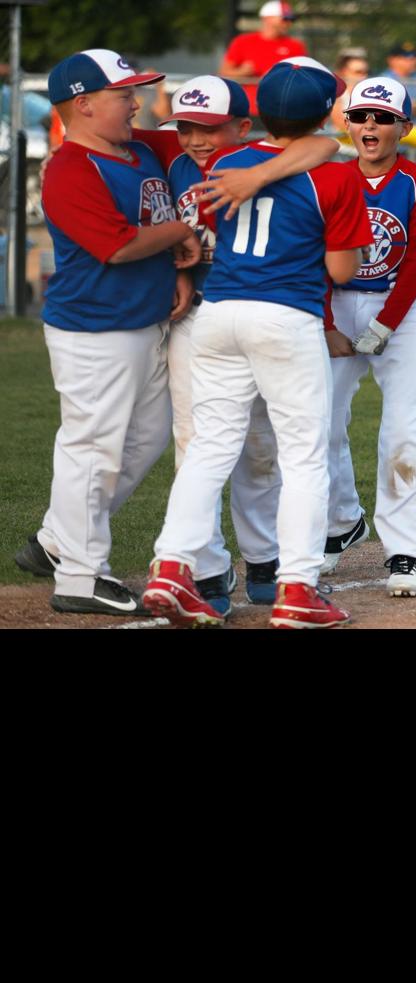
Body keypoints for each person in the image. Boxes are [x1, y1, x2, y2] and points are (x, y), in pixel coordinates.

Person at [142, 58, 372, 628]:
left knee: (209, 448)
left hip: (218, 312)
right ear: (325, 113)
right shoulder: (337, 174)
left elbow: (297, 156)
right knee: (303, 456)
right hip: (285, 317)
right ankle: (297, 586)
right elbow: (342, 270)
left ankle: (172, 566)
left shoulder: (229, 159)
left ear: (259, 114)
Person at [15, 49, 196, 616]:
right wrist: (179, 233)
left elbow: (211, 143)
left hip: (143, 322)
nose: (136, 103)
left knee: (144, 441)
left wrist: (180, 265)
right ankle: (79, 574)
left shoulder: (142, 148)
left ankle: (55, 540)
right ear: (85, 104)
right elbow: (116, 246)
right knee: (92, 450)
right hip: (94, 328)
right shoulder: (71, 169)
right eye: (124, 95)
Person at [320, 77, 416, 597]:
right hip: (337, 304)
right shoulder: (327, 178)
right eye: (361, 116)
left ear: (404, 128)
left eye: (383, 118)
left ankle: (404, 552)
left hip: (403, 305)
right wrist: (328, 323)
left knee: (402, 430)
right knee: (318, 423)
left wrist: (386, 322)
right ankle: (340, 521)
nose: (370, 125)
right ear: (346, 124)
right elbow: (314, 260)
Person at [220, 1, 308, 115]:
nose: (288, 23)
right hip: (246, 109)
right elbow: (223, 72)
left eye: (291, 20)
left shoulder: (296, 46)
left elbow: (304, 77)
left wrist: (278, 76)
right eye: (284, 19)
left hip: (281, 111)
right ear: (267, 18)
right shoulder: (243, 41)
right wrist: (241, 72)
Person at [329, 53, 370, 131]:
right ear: (344, 72)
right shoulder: (337, 94)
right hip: (342, 141)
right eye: (358, 72)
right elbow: (341, 123)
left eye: (366, 72)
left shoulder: (370, 94)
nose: (364, 76)